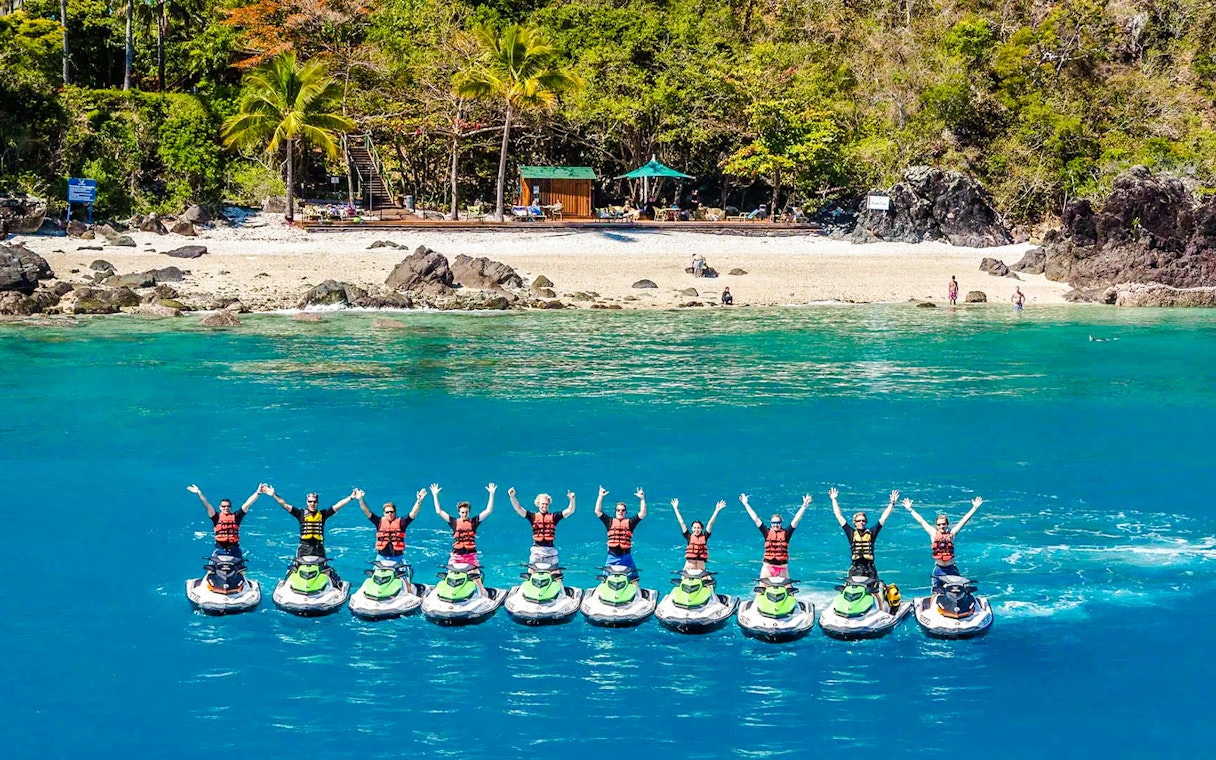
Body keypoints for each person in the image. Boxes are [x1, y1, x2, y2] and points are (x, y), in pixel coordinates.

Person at [265, 485, 355, 582]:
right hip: (304, 548)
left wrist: (351, 497)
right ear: (307, 502)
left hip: (318, 549)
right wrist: (274, 494)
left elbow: (338, 505)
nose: (312, 504)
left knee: (325, 571)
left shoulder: (323, 514)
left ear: (317, 503)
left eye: (314, 502)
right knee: (297, 571)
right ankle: (286, 584)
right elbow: (285, 505)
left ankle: (336, 585)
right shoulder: (300, 513)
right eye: (310, 501)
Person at [904, 496, 983, 593]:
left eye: (943, 524)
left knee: (958, 592)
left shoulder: (952, 534)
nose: (941, 526)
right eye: (939, 524)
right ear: (936, 526)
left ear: (947, 524)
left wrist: (974, 507)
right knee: (935, 592)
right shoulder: (933, 534)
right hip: (939, 569)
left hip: (951, 569)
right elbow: (921, 521)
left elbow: (963, 521)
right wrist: (910, 509)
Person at [432, 482, 495, 593]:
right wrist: (435, 495)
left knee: (477, 577)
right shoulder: (454, 522)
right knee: (449, 576)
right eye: (462, 512)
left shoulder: (474, 522)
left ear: (469, 512)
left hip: (470, 556)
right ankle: (446, 594)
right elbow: (439, 511)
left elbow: (488, 511)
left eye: (466, 512)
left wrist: (491, 494)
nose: (464, 514)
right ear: (459, 512)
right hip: (456, 556)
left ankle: (483, 594)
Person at [830, 487, 897, 580]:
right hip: (856, 569)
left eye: (863, 521)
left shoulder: (871, 532)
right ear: (855, 522)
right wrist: (834, 499)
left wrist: (892, 503)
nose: (861, 522)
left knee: (876, 592)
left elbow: (883, 518)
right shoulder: (851, 533)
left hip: (870, 569)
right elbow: (839, 516)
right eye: (859, 520)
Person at [740, 492, 811, 578]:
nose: (776, 525)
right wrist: (746, 504)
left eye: (778, 523)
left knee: (788, 588)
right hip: (768, 567)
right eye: (773, 523)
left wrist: (804, 505)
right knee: (762, 587)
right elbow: (755, 518)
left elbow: (796, 519)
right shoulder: (766, 532)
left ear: (781, 523)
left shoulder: (786, 533)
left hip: (782, 568)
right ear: (771, 523)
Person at [187, 483, 262, 559]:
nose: (226, 508)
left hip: (234, 549)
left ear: (230, 507)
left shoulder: (236, 517)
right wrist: (199, 492)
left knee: (241, 570)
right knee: (210, 571)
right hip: (220, 550)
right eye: (224, 506)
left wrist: (258, 492)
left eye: (228, 506)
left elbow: (248, 504)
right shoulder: (215, 517)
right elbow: (207, 504)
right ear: (220, 507)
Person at [509, 487, 576, 567]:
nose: (544, 506)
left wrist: (572, 500)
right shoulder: (532, 517)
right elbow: (518, 508)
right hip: (536, 552)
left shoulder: (554, 517)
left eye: (546, 504)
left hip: (551, 553)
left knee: (558, 576)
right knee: (530, 571)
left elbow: (570, 510)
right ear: (538, 504)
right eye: (542, 504)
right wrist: (512, 497)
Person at [357, 487, 425, 565]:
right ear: (384, 513)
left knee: (403, 575)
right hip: (381, 558)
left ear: (395, 512)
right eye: (387, 512)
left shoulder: (402, 522)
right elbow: (366, 511)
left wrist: (419, 501)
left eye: (391, 512)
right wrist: (360, 499)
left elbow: (413, 513)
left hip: (398, 558)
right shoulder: (379, 522)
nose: (389, 514)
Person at [595, 486, 647, 583]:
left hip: (626, 557)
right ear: (615, 512)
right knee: (604, 579)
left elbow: (642, 513)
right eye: (618, 510)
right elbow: (597, 511)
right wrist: (600, 496)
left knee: (634, 579)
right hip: (612, 557)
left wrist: (642, 499)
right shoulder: (609, 521)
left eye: (623, 510)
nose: (620, 512)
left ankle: (638, 595)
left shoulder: (630, 523)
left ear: (625, 512)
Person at [671, 498, 726, 573]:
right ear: (692, 528)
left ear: (701, 529)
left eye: (698, 528)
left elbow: (710, 523)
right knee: (683, 579)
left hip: (701, 568)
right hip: (689, 567)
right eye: (694, 528)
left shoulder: (705, 536)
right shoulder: (689, 536)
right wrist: (675, 508)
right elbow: (682, 522)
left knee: (708, 580)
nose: (696, 530)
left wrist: (717, 510)